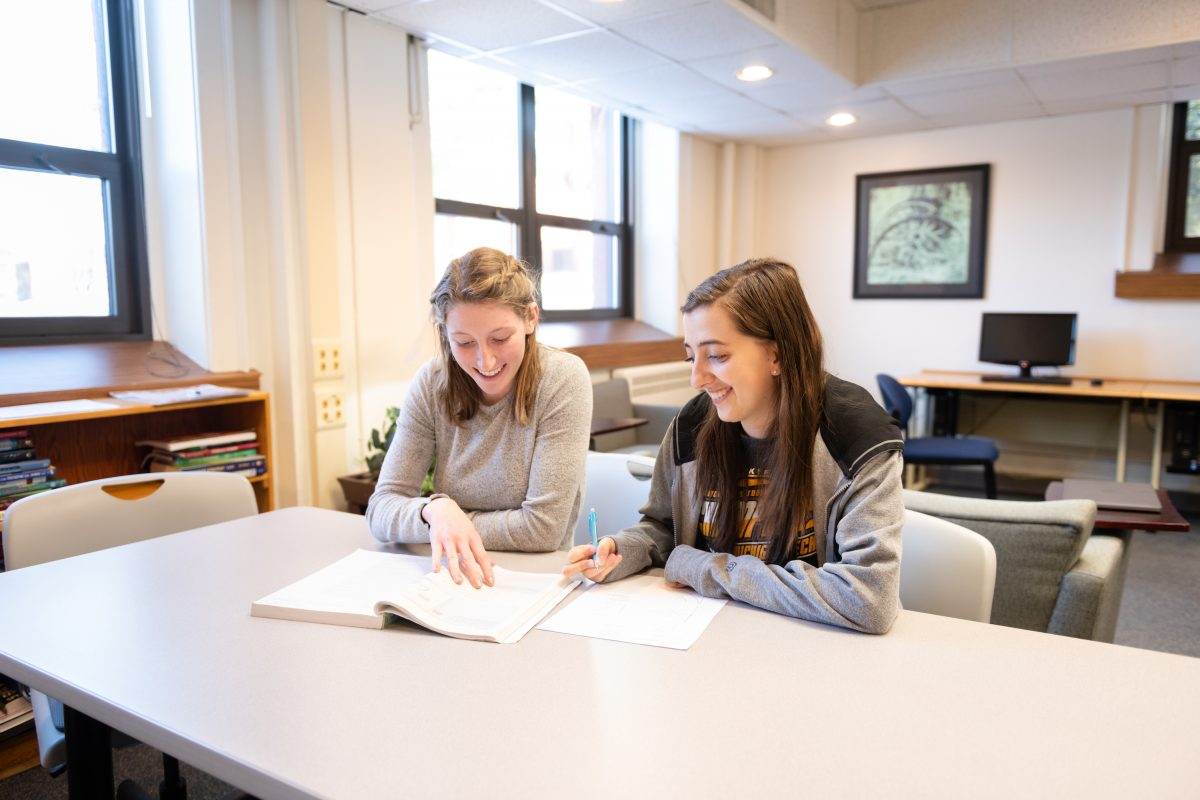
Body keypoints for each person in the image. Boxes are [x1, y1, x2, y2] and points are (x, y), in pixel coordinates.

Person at [562, 258, 905, 633]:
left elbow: (870, 599)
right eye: (692, 356)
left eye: (717, 356)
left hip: (810, 649)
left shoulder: (857, 437)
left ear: (777, 355)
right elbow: (664, 528)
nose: (697, 379)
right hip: (706, 638)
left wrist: (707, 568)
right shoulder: (691, 426)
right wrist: (622, 551)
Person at [368, 247, 592, 589]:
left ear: (531, 318)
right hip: (450, 577)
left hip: (535, 580)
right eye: (464, 342)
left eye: (500, 338)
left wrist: (456, 524)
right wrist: (436, 513)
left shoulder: (563, 378)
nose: (485, 361)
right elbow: (381, 508)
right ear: (445, 333)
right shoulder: (431, 383)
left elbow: (543, 529)